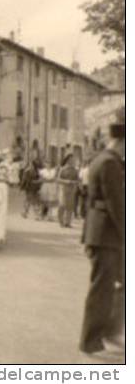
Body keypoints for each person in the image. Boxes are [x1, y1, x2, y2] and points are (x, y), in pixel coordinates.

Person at [79, 118, 125, 355]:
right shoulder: (110, 164)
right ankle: (91, 341)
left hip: (103, 234)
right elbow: (116, 203)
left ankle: (112, 333)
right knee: (101, 290)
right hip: (107, 236)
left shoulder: (102, 160)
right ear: (122, 142)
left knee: (121, 284)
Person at [57, 153, 79, 227]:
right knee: (62, 205)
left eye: (74, 159)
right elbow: (58, 179)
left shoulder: (75, 170)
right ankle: (61, 221)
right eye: (72, 159)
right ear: (68, 160)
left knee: (70, 206)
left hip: (72, 190)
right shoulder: (63, 169)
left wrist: (75, 183)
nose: (73, 161)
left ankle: (68, 222)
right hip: (63, 189)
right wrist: (67, 181)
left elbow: (77, 180)